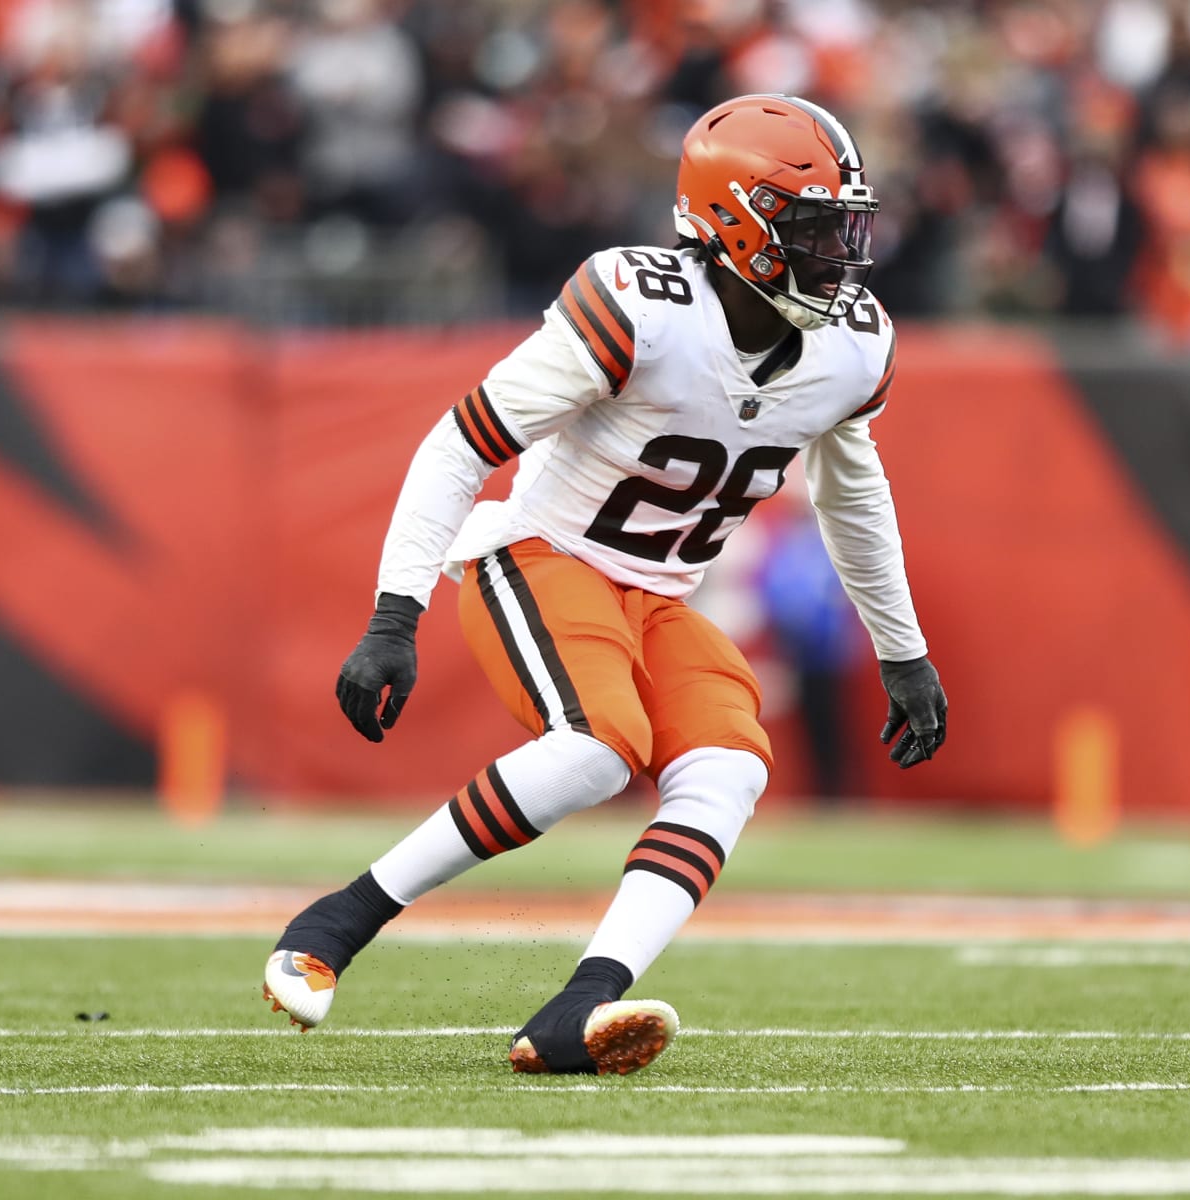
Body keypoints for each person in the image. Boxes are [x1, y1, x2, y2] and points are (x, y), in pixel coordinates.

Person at [261, 94, 949, 1076]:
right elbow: (463, 441)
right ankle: (341, 919)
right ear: (736, 224)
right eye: (811, 228)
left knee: (730, 763)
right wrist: (394, 611)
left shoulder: (853, 345)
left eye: (845, 228)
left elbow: (856, 497)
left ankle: (578, 1007)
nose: (838, 253)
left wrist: (903, 651)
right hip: (542, 557)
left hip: (660, 593)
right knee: (597, 749)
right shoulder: (641, 306)